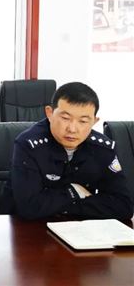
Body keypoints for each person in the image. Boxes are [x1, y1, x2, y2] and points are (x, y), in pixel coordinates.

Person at [10, 82, 132, 220]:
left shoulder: (102, 148)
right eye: (65, 118)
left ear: (94, 121)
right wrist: (75, 192)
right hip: (29, 227)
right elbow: (29, 206)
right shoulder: (29, 145)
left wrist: (70, 205)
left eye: (83, 121)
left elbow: (123, 206)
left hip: (80, 227)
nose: (72, 129)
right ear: (49, 113)